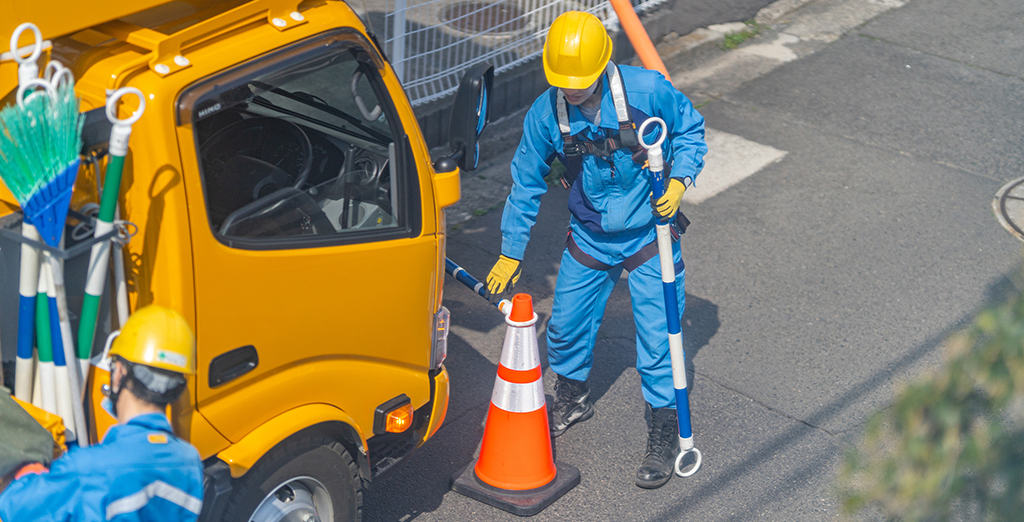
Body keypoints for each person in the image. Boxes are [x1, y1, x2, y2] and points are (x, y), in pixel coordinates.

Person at [486, 11, 707, 489]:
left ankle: (664, 428)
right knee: (564, 326)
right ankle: (572, 397)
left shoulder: (647, 92)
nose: (571, 90)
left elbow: (691, 131)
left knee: (658, 338)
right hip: (589, 234)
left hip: (651, 235)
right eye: (562, 83)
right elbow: (525, 183)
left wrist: (680, 180)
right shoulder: (547, 114)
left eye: (580, 83)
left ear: (604, 67)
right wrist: (511, 252)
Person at [0, 305, 204, 520]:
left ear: (118, 374)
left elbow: (15, 507)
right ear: (178, 386)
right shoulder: (191, 462)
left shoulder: (88, 468)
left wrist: (27, 469)